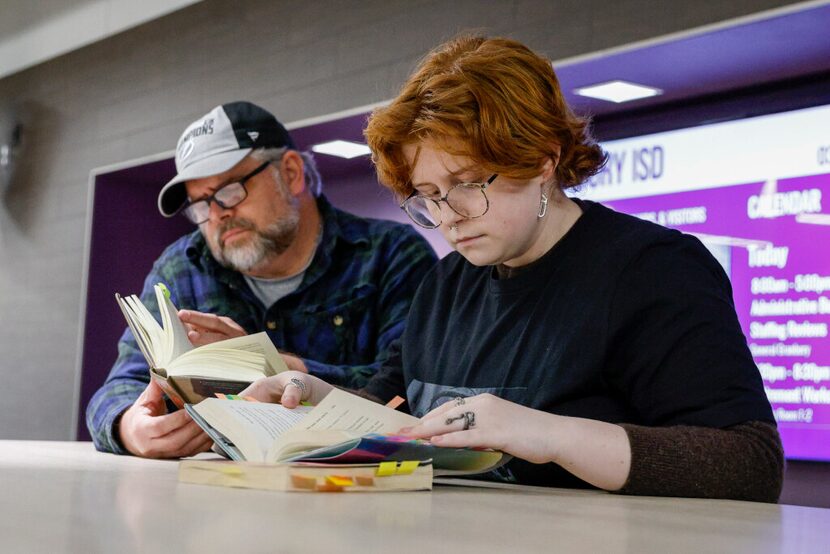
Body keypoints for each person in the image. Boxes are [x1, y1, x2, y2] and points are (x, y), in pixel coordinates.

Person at [241, 37, 785, 502]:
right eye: (428, 195)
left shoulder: (654, 271)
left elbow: (751, 462)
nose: (448, 217)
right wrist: (313, 395)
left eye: (469, 182)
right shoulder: (448, 282)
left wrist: (547, 434)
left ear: (543, 159)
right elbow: (392, 407)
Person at [86, 101, 436, 458]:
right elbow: (119, 385)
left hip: (356, 490)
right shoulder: (182, 267)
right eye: (201, 204)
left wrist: (272, 366)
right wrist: (130, 426)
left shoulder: (391, 255)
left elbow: (413, 388)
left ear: (291, 173)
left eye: (229, 190)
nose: (218, 214)